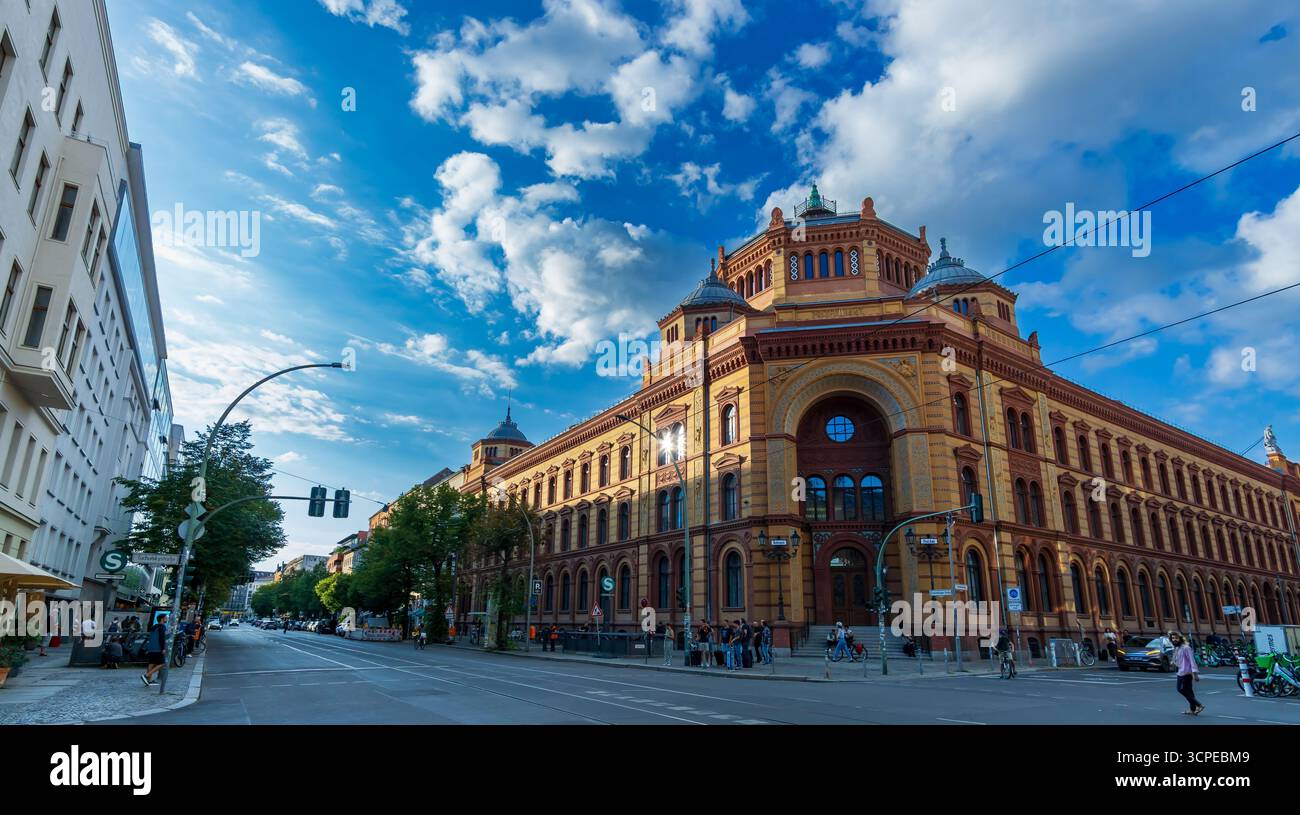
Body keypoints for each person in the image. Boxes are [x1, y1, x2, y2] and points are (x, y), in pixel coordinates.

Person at [1170, 632, 1204, 716]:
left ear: (1180, 638)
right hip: (1180, 672)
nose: (1174, 639)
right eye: (1173, 638)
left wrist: (1195, 674)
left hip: (1186, 673)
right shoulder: (1177, 648)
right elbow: (1176, 660)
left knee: (1181, 689)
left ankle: (1199, 705)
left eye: (1176, 638)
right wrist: (1173, 662)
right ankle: (1192, 710)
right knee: (1189, 691)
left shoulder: (1186, 648)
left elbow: (1192, 661)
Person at [141, 614, 169, 686]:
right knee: (162, 663)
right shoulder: (162, 627)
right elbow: (161, 638)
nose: (167, 619)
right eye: (166, 618)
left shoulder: (154, 627)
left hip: (151, 648)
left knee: (151, 663)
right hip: (157, 648)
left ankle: (148, 681)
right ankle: (147, 675)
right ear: (162, 619)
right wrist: (163, 648)